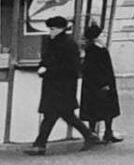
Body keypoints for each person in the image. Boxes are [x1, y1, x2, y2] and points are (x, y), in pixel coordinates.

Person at [23, 16, 102, 155]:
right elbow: (46, 60)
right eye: (50, 29)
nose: (50, 32)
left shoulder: (68, 44)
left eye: (53, 29)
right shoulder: (54, 42)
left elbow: (72, 67)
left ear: (61, 29)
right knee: (64, 115)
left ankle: (40, 145)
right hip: (55, 86)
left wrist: (47, 70)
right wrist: (42, 67)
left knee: (52, 115)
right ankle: (89, 136)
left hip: (63, 86)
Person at [80, 23, 122, 143]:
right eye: (101, 34)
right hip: (100, 84)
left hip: (95, 84)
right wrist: (104, 83)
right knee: (104, 108)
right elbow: (97, 68)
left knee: (97, 109)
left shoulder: (93, 49)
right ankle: (101, 133)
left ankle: (98, 132)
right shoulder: (96, 50)